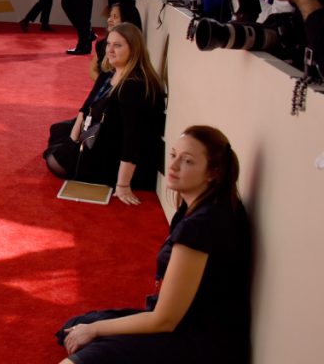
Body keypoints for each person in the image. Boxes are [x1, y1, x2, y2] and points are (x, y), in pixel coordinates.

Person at [56, 125, 251, 364]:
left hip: (198, 340)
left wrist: (97, 330)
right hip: (183, 321)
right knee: (73, 327)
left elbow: (164, 320)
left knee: (83, 348)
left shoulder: (201, 226)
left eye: (187, 161)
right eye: (173, 155)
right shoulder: (212, 204)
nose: (173, 166)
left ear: (213, 172)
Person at [44, 23, 166, 199]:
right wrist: (74, 138)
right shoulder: (112, 73)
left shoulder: (133, 87)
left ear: (134, 48)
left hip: (111, 154)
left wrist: (123, 184)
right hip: (100, 136)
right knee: (59, 132)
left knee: (55, 161)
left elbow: (133, 139)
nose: (110, 50)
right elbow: (87, 107)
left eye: (118, 45)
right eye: (109, 44)